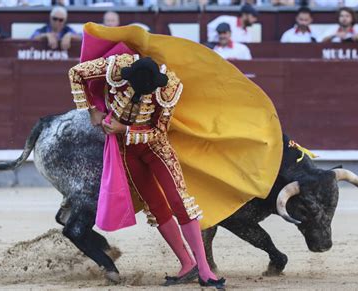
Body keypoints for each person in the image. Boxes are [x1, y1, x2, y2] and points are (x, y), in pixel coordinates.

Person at [67, 22, 283, 289]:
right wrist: (91, 111)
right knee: (155, 209)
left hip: (156, 149)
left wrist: (124, 127)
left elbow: (158, 131)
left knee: (181, 203)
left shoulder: (168, 87)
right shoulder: (116, 66)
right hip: (126, 152)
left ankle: (205, 271)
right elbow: (76, 73)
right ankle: (187, 263)